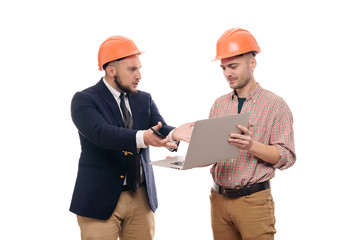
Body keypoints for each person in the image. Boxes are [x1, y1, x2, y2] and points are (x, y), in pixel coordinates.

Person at [69, 35, 193, 240]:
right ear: (111, 70)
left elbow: (158, 127)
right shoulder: (84, 100)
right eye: (132, 69)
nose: (139, 75)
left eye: (140, 68)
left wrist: (173, 133)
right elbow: (101, 134)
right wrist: (143, 137)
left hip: (140, 198)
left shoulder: (144, 98)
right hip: (100, 199)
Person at [209, 28, 296, 240]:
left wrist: (252, 146)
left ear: (252, 63)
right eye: (223, 68)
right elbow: (211, 154)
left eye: (233, 66)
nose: (227, 73)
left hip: (254, 202)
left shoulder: (276, 105)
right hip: (218, 200)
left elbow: (287, 157)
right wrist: (187, 156)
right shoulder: (219, 105)